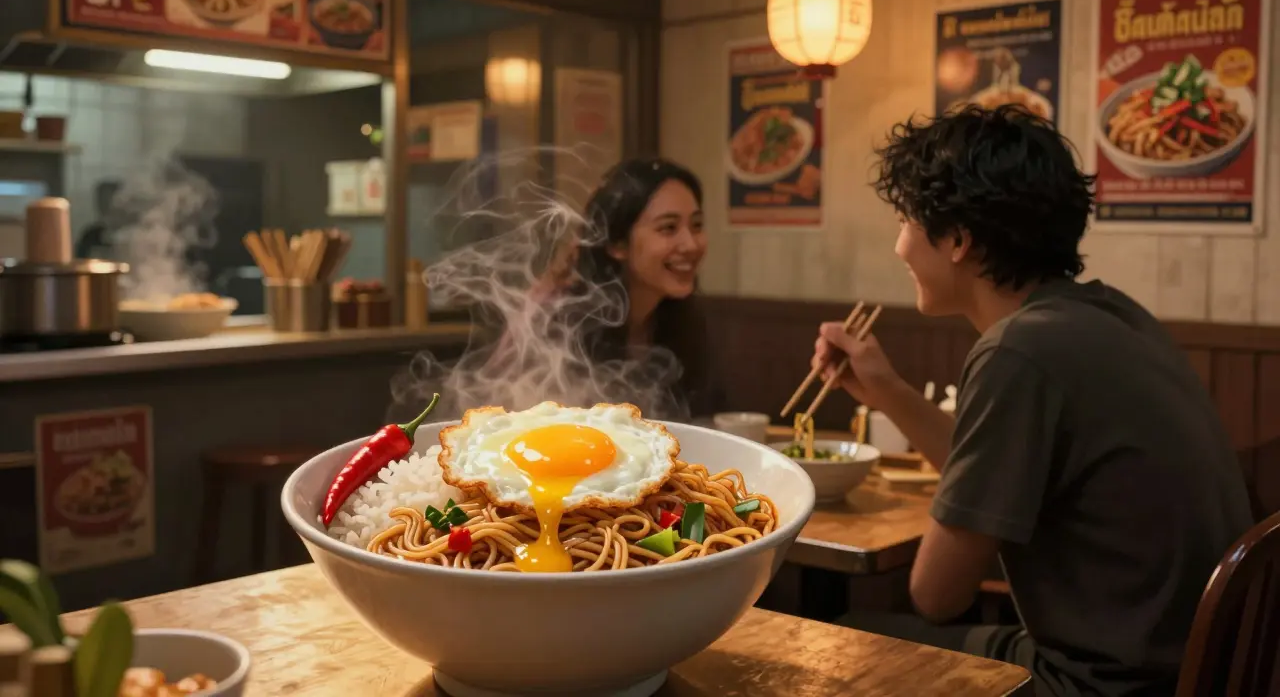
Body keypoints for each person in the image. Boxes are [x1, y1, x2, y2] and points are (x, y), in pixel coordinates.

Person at [814, 105, 1253, 697]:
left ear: (959, 240)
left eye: (905, 222)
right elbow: (990, 475)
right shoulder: (1112, 316)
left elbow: (936, 595)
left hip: (1098, 683)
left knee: (835, 642)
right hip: (1187, 672)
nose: (899, 247)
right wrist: (886, 390)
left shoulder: (1018, 351)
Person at [483, 157, 722, 419]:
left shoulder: (681, 318)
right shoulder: (559, 317)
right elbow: (522, 422)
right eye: (668, 228)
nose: (690, 244)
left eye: (697, 225)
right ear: (617, 244)